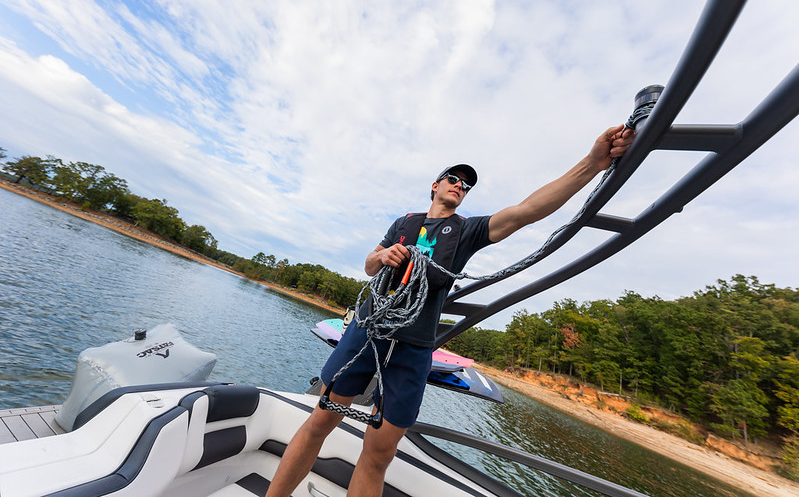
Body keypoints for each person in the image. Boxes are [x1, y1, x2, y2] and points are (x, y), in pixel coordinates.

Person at [265, 124, 635, 497]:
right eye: (453, 179)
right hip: (367, 333)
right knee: (319, 422)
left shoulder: (466, 231)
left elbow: (525, 211)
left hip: (412, 349)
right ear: (435, 185)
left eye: (465, 184)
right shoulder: (404, 223)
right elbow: (368, 265)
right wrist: (383, 255)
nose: (460, 185)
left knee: (379, 454)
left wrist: (591, 164)